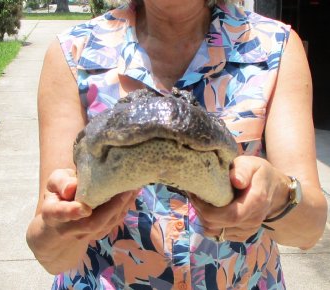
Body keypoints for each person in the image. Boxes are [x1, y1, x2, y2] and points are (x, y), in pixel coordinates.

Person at [26, 0, 328, 289]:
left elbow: (309, 229)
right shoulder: (74, 52)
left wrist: (276, 195)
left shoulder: (275, 47)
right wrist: (65, 225)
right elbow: (50, 254)